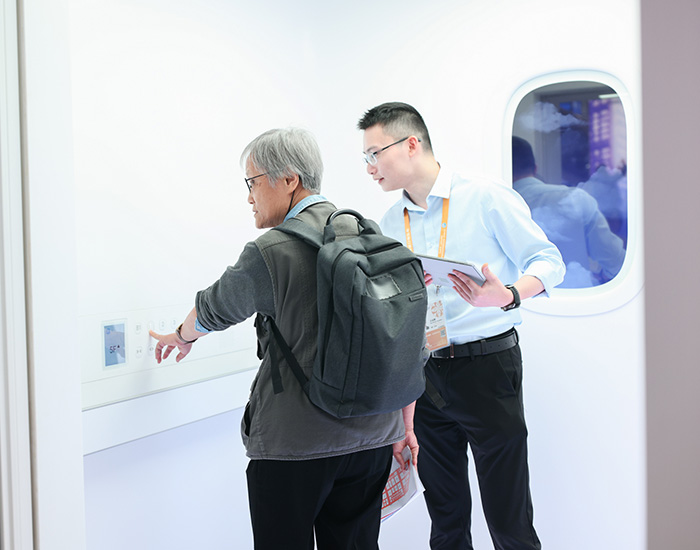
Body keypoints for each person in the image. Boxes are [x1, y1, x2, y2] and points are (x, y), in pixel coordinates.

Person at [149, 127, 415, 550]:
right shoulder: (371, 238)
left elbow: (215, 307)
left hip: (296, 444)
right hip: (374, 436)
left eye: (252, 182)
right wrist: (404, 422)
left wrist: (182, 337)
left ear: (289, 180)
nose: (249, 196)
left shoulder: (272, 250)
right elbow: (403, 338)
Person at [357, 102, 565, 550]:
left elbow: (550, 262)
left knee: (509, 519)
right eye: (366, 158)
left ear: (411, 143)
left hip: (488, 366)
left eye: (375, 153)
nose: (370, 167)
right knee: (446, 521)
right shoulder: (389, 225)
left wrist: (506, 294)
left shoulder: (483, 196)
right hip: (425, 375)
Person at [512, 136, 626, 288]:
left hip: (519, 301)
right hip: (577, 301)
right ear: (535, 168)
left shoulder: (499, 206)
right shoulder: (576, 199)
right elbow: (614, 259)